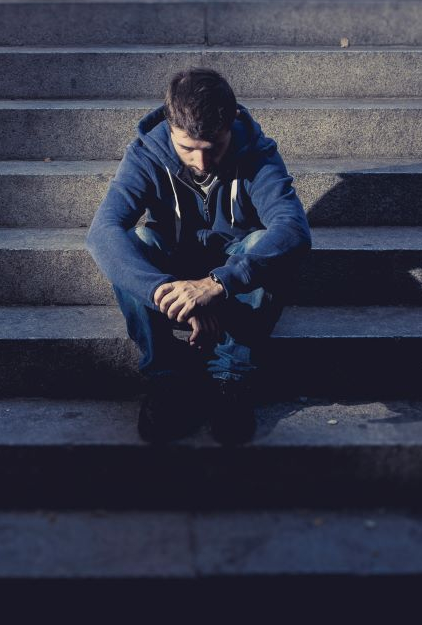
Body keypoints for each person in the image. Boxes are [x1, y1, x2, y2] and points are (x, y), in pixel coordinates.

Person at [85, 67, 312, 445]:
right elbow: (102, 232)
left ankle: (231, 378)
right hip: (173, 269)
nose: (201, 163)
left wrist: (217, 284)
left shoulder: (257, 153)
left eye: (214, 148)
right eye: (187, 148)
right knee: (137, 239)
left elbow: (293, 230)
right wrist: (168, 292)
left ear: (232, 122)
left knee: (262, 244)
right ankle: (167, 379)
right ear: (170, 125)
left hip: (230, 270)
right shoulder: (146, 153)